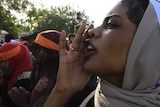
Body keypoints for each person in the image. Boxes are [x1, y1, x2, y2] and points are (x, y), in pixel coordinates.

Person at [44, 0, 160, 107]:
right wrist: (61, 92)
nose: (91, 31)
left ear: (148, 44)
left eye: (110, 24)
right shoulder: (78, 99)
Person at [0, 43, 33, 107]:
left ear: (13, 61)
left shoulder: (25, 81)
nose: (1, 65)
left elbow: (7, 101)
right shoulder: (10, 75)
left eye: (2, 61)